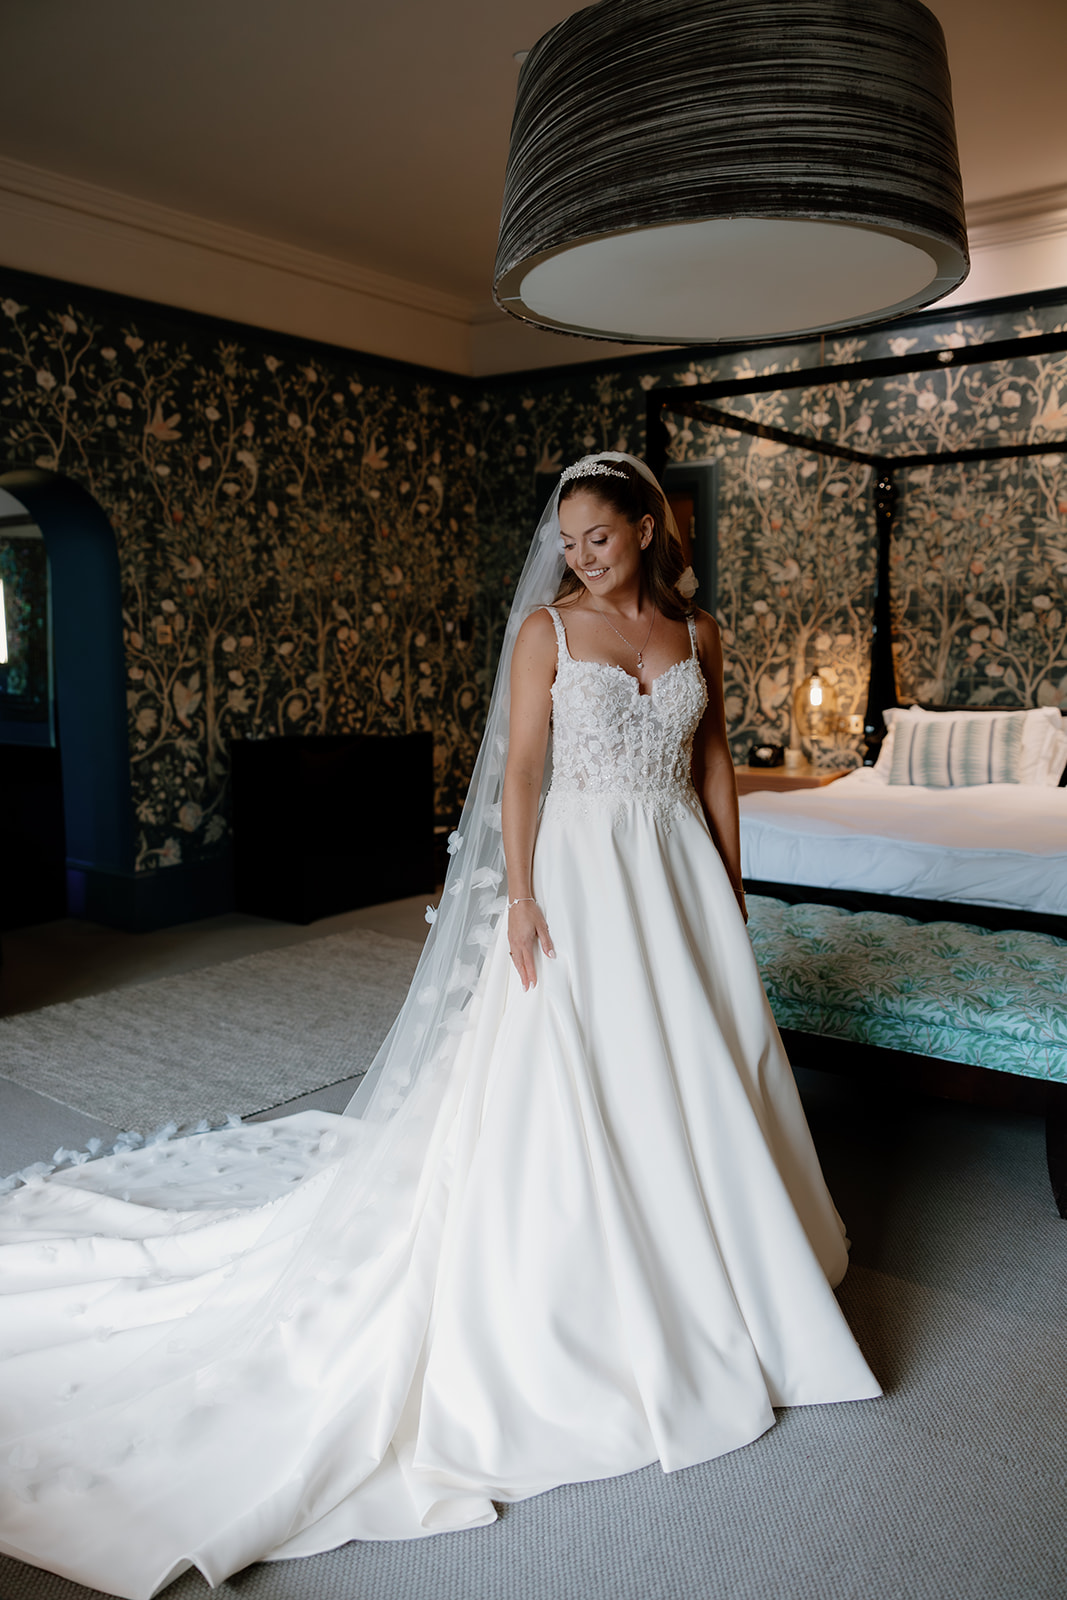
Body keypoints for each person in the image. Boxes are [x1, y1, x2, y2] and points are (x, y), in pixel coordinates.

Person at [0, 453, 879, 1600]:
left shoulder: (697, 632)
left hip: (670, 868)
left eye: (597, 538)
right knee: (582, 1071)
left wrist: (730, 875)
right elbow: (520, 771)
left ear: (646, 532)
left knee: (703, 1062)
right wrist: (519, 893)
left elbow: (707, 756)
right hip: (581, 866)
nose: (578, 555)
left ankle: (723, 1246)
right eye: (566, 540)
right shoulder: (546, 636)